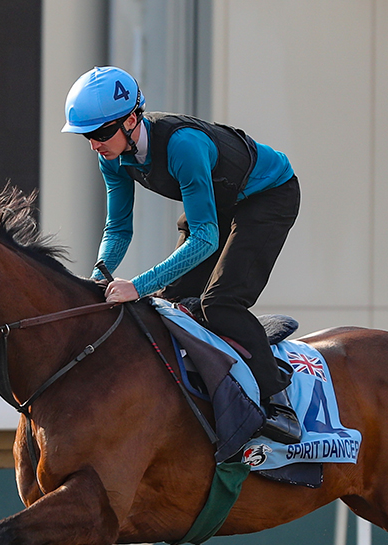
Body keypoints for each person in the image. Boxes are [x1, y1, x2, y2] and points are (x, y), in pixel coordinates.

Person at [62, 66, 303, 444]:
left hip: (268, 195)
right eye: (86, 136)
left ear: (130, 119)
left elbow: (205, 239)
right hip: (220, 199)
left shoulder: (182, 145)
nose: (95, 144)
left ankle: (279, 403)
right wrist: (99, 275)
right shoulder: (111, 157)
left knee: (220, 303)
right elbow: (119, 229)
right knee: (171, 303)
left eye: (102, 133)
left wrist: (137, 287)